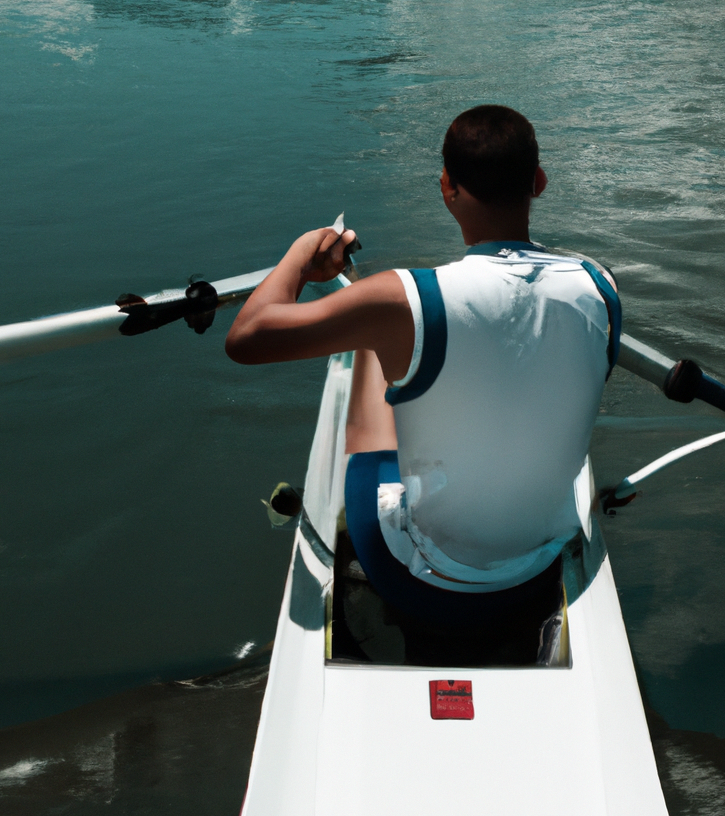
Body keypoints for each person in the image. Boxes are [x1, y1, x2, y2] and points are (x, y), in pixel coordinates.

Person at [225, 105, 620, 633]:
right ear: (539, 182)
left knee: (372, 344)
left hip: (424, 582)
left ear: (446, 187)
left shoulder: (400, 296)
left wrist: (300, 255)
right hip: (537, 567)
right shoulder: (601, 286)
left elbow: (246, 339)